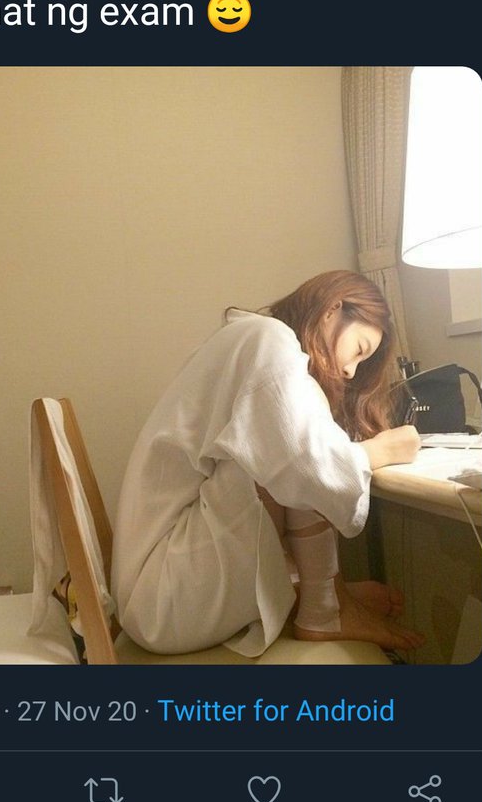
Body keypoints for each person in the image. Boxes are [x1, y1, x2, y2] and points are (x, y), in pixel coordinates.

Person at [111, 270, 424, 657]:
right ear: (332, 310)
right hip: (164, 601)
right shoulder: (266, 338)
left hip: (159, 590)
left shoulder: (250, 340)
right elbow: (304, 463)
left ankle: (321, 596)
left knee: (285, 440)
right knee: (287, 447)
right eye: (359, 349)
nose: (350, 371)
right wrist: (380, 451)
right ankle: (325, 607)